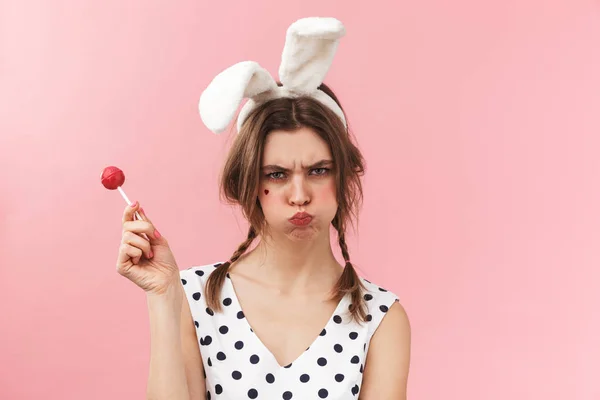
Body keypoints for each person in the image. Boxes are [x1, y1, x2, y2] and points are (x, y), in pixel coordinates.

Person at [117, 17, 410, 400]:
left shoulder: (380, 318)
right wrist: (161, 297)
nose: (299, 194)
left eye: (319, 170)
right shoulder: (193, 295)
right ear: (249, 183)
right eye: (276, 174)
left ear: (343, 178)